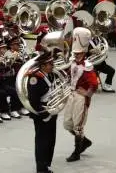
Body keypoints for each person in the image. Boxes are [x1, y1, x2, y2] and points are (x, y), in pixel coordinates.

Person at [63, 27, 98, 162]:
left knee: (78, 126)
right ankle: (85, 141)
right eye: (75, 53)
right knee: (67, 124)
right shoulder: (72, 61)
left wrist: (86, 94)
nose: (76, 55)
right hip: (71, 94)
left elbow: (94, 84)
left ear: (83, 52)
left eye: (78, 53)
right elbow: (69, 75)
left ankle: (77, 152)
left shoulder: (88, 66)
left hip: (80, 98)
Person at [27, 51, 57, 173]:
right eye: (50, 64)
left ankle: (46, 163)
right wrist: (43, 112)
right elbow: (33, 100)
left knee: (50, 139)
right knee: (41, 140)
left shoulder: (51, 75)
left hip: (52, 110)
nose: (52, 66)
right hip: (42, 113)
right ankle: (41, 167)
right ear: (43, 65)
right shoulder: (35, 78)